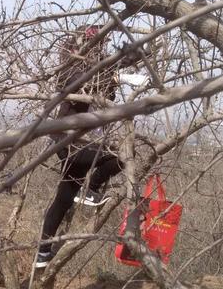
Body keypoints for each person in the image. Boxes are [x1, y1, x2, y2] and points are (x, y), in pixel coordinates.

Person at [35, 25, 145, 268]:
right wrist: (118, 77)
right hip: (74, 141)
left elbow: (116, 67)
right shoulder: (70, 66)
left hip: (91, 141)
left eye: (100, 45)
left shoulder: (100, 65)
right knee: (122, 156)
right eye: (93, 44)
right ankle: (93, 188)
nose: (98, 49)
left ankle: (42, 253)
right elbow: (79, 81)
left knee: (63, 199)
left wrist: (135, 52)